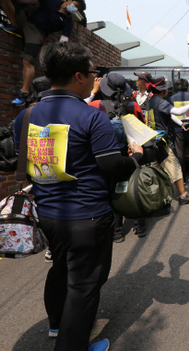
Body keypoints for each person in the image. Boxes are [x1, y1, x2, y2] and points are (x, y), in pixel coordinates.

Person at [13, 41, 149, 350]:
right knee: (85, 287)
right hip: (87, 217)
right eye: (92, 72)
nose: (94, 78)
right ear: (78, 76)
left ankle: (56, 324)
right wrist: (139, 157)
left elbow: (28, 164)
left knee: (60, 268)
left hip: (48, 215)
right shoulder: (91, 116)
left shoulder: (26, 116)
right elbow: (112, 165)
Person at [0, 0, 86, 106]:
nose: (75, 9)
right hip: (26, 21)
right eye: (75, 6)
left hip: (36, 33)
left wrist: (58, 55)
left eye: (78, 10)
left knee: (27, 61)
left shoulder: (67, 21)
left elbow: (63, 40)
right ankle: (14, 26)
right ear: (69, 1)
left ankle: (23, 93)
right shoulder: (51, 0)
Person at [89, 73, 146, 241]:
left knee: (111, 191)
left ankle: (117, 231)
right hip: (130, 154)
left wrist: (93, 90)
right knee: (133, 187)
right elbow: (141, 129)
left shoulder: (95, 105)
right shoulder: (133, 106)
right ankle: (139, 226)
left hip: (107, 156)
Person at [144, 76, 189, 204]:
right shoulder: (161, 102)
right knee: (175, 168)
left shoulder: (149, 101)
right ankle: (183, 196)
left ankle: (154, 199)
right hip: (161, 143)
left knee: (156, 170)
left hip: (150, 142)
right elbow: (178, 112)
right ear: (163, 90)